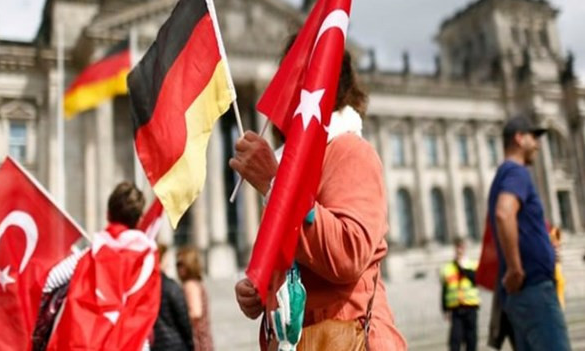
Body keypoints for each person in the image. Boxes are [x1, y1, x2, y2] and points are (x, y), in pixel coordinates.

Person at [230, 48, 406, 350]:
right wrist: (262, 289)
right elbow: (300, 265)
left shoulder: (351, 152)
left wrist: (275, 185)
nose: (282, 90)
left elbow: (349, 252)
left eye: (295, 77)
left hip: (347, 337)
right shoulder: (293, 167)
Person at [32, 181, 160, 351]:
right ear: (139, 220)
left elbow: (49, 282)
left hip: (79, 344)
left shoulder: (90, 254)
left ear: (108, 214)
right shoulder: (147, 263)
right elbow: (142, 316)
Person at [487, 115, 571, 350]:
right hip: (534, 290)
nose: (538, 144)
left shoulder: (503, 175)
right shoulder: (517, 172)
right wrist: (515, 268)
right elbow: (504, 213)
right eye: (534, 137)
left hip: (522, 295)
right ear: (519, 138)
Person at [440, 237, 480, 351]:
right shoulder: (447, 267)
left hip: (471, 306)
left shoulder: (473, 264)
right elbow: (444, 290)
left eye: (461, 247)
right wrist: (445, 309)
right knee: (455, 340)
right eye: (457, 248)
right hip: (456, 308)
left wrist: (462, 267)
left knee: (471, 339)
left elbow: (475, 280)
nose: (459, 250)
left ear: (465, 248)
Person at [152, 243, 194, 351]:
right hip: (175, 344)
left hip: (155, 345)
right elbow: (184, 320)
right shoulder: (171, 286)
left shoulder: (146, 287)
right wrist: (190, 343)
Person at [176, 246, 214, 351]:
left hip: (196, 341)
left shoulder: (190, 285)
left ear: (189, 264)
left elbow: (195, 313)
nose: (178, 268)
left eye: (180, 264)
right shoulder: (197, 284)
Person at [549, 226, 566, 310]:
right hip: (555, 265)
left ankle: (560, 304)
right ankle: (560, 305)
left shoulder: (556, 242)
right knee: (560, 282)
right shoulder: (553, 241)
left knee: (560, 282)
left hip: (557, 265)